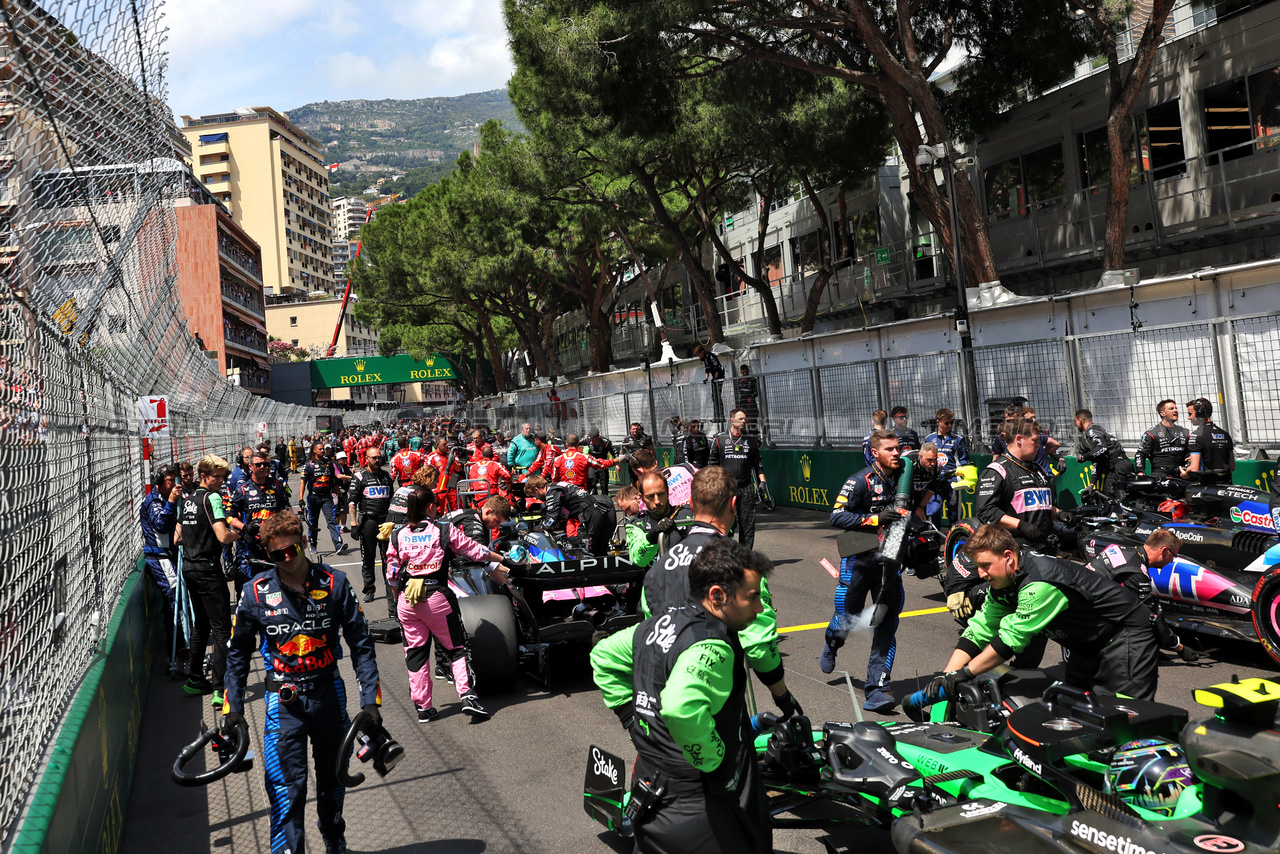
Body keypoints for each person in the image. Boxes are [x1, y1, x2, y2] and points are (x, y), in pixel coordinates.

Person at [591, 539, 776, 854]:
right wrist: (714, 758)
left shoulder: (657, 624)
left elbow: (602, 656)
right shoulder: (712, 644)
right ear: (718, 595)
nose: (759, 608)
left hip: (650, 796)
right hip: (697, 808)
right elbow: (680, 708)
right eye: (753, 597)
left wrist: (632, 720)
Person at [223, 510, 382, 854]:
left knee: (333, 778)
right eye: (276, 555)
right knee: (285, 789)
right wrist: (232, 705)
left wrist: (371, 700)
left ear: (304, 544)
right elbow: (237, 655)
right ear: (267, 554)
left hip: (329, 694)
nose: (285, 559)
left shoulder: (335, 582)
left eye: (292, 551)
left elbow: (361, 644)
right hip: (283, 703)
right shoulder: (254, 592)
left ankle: (334, 836)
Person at [924, 524, 1159, 704]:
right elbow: (981, 628)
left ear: (1008, 556)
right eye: (978, 567)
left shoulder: (1039, 583)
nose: (981, 574)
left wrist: (965, 673)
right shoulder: (1005, 580)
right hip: (1086, 642)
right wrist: (947, 675)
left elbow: (1009, 641)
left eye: (985, 565)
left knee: (1123, 718)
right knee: (1075, 709)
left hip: (1124, 636)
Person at [640, 466, 798, 717]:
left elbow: (648, 630)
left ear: (690, 503)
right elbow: (758, 642)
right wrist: (782, 695)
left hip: (663, 698)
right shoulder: (740, 563)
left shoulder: (658, 568)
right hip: (716, 699)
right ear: (734, 503)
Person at [387, 487, 523, 721]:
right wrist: (503, 559)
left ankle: (423, 709)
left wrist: (400, 598)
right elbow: (475, 551)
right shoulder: (442, 529)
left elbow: (391, 575)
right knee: (457, 648)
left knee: (416, 653)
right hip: (436, 596)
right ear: (430, 507)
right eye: (436, 505)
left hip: (407, 601)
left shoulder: (397, 533)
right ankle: (468, 696)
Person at [820, 430, 929, 711]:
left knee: (887, 623)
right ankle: (832, 643)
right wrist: (875, 518)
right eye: (890, 449)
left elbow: (925, 495)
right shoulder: (860, 481)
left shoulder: (906, 479)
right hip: (858, 557)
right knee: (846, 617)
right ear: (875, 452)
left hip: (891, 559)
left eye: (898, 449)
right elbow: (836, 516)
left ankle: (877, 688)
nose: (896, 453)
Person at [175, 454, 240, 703]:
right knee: (223, 629)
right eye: (217, 476)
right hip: (209, 570)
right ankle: (220, 688)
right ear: (203, 476)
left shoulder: (188, 500)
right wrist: (236, 534)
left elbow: (177, 538)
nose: (221, 481)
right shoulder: (212, 497)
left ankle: (195, 679)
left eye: (224, 476)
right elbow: (223, 537)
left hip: (190, 569)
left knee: (201, 625)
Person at [1085, 529, 1199, 662]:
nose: (1171, 561)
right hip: (1085, 623)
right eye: (1173, 556)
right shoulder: (1136, 573)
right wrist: (1179, 647)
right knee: (1141, 618)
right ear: (1164, 551)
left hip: (1081, 602)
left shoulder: (1123, 550)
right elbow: (1151, 618)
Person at [974, 416, 1058, 550]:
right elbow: (985, 510)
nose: (1039, 445)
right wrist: (1020, 525)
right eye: (1035, 441)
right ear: (1019, 440)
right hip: (1014, 548)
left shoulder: (1037, 469)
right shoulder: (997, 470)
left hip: (1045, 544)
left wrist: (1059, 514)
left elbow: (1039, 506)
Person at [228, 450, 293, 592]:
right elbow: (229, 516)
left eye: (266, 464)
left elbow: (287, 510)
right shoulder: (242, 490)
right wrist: (245, 527)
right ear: (250, 466)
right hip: (253, 546)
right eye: (259, 465)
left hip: (276, 543)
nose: (263, 467)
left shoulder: (277, 486)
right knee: (254, 585)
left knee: (279, 584)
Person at [708, 408, 765, 548]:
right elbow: (712, 466)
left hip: (745, 487)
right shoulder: (719, 439)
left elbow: (757, 464)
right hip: (726, 489)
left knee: (748, 524)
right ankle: (727, 553)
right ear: (732, 420)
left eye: (745, 419)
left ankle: (744, 556)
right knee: (726, 523)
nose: (744, 421)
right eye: (740, 419)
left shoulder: (751, 441)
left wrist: (762, 482)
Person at [140, 465, 183, 656]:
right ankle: (178, 649)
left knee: (178, 598)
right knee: (175, 598)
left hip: (170, 554)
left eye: (176, 480)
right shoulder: (155, 501)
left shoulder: (164, 498)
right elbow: (161, 525)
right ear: (160, 482)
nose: (174, 485)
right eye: (170, 481)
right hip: (160, 557)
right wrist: (172, 501)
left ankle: (179, 646)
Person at [523, 474, 615, 555]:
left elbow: (551, 519)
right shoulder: (556, 485)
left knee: (587, 551)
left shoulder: (552, 491)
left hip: (591, 517)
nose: (536, 498)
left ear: (536, 489)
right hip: (598, 514)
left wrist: (537, 528)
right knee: (599, 551)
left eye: (533, 494)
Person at [349, 447, 394, 603]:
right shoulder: (359, 477)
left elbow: (392, 501)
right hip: (369, 522)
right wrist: (353, 524)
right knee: (368, 558)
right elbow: (352, 502)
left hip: (386, 523)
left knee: (388, 559)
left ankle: (391, 591)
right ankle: (369, 589)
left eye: (379, 457)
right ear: (366, 458)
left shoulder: (387, 476)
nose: (377, 460)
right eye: (374, 457)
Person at [625, 470, 694, 568]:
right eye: (650, 496)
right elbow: (638, 560)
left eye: (661, 494)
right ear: (642, 497)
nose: (657, 501)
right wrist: (652, 536)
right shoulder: (636, 524)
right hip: (655, 582)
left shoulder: (687, 513)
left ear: (667, 491)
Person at [1074, 409, 1135, 498]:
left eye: (1075, 421)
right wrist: (1091, 484)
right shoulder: (1097, 430)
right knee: (1117, 497)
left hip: (1118, 467)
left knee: (1110, 497)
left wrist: (1084, 456)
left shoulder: (1092, 431)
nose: (1075, 425)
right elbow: (1099, 459)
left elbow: (1102, 448)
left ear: (1080, 420)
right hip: (1123, 465)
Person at [302, 442, 345, 556]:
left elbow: (334, 481)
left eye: (323, 449)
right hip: (313, 497)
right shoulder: (309, 465)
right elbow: (303, 482)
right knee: (313, 522)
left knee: (331, 520)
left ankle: (338, 545)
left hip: (327, 497)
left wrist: (339, 495)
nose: (322, 451)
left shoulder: (329, 463)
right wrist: (301, 498)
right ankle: (313, 544)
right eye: (320, 449)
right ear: (314, 450)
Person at [1180, 397, 1234, 484]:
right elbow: (1232, 466)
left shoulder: (1196, 435)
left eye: (1190, 414)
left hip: (1209, 488)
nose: (1188, 418)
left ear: (1199, 414)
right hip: (1227, 484)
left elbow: (1194, 468)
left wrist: (1185, 473)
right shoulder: (1225, 434)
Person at [1134, 399, 1188, 478]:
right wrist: (1140, 472)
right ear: (1162, 413)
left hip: (1181, 474)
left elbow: (1191, 453)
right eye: (1171, 409)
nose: (1175, 410)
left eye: (1176, 408)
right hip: (1160, 475)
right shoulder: (1151, 433)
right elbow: (1140, 454)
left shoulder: (1185, 432)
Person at [551, 433, 619, 489]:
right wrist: (618, 460)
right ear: (578, 444)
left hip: (565, 491)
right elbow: (603, 464)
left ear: (566, 444)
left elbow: (554, 478)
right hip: (580, 492)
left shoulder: (557, 459)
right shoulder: (585, 457)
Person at [426, 438, 464, 512]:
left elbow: (458, 468)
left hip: (451, 483)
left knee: (456, 506)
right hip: (439, 485)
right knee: (439, 507)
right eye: (444, 444)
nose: (446, 446)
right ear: (437, 444)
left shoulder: (451, 454)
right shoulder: (431, 456)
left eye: (447, 444)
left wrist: (452, 461)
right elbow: (427, 472)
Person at [585, 428, 616, 495]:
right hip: (592, 464)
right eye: (591, 437)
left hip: (602, 464)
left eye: (593, 438)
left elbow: (614, 452)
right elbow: (576, 442)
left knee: (604, 484)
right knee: (591, 482)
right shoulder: (588, 440)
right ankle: (594, 496)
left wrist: (617, 464)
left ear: (598, 436)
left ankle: (605, 496)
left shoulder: (606, 442)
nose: (592, 439)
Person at [735, 364, 759, 429]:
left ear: (748, 370)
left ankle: (754, 435)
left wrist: (751, 397)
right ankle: (744, 434)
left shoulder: (753, 379)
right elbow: (741, 390)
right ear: (741, 372)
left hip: (751, 401)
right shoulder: (740, 380)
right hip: (743, 402)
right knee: (742, 419)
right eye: (743, 372)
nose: (745, 373)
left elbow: (757, 392)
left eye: (746, 372)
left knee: (753, 419)